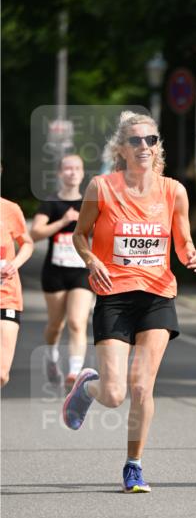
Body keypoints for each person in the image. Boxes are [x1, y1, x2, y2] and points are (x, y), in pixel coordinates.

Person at [63, 111, 196, 492]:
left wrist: (192, 254)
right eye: (136, 141)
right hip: (114, 297)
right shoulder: (101, 187)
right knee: (114, 394)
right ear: (121, 149)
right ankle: (88, 388)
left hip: (158, 295)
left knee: (142, 387)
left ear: (158, 147)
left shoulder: (173, 191)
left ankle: (134, 465)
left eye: (151, 140)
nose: (145, 147)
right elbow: (80, 235)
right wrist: (92, 260)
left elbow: (183, 239)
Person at [30, 154, 94, 390]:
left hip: (81, 271)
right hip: (55, 272)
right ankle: (52, 355)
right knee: (56, 325)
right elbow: (35, 233)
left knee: (77, 323)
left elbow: (103, 232)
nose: (72, 172)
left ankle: (74, 373)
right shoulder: (51, 203)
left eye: (77, 168)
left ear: (82, 172)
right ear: (60, 173)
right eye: (67, 168)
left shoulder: (90, 203)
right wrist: (64, 220)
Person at [0, 195, 34, 387]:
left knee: (2, 374)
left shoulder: (10, 208)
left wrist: (14, 264)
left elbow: (27, 243)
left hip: (6, 297)